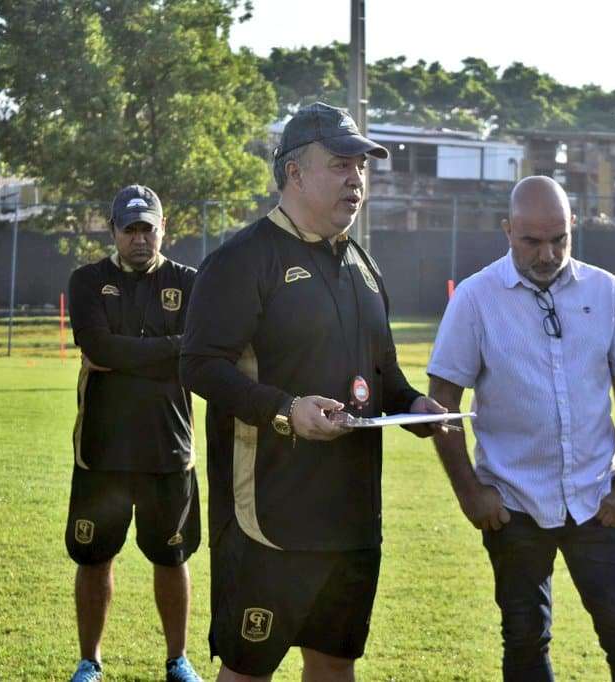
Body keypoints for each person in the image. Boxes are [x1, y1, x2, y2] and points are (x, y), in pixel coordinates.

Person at [181, 101, 444, 681]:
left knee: (334, 664)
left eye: (362, 165)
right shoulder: (241, 260)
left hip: (351, 518)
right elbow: (198, 365)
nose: (356, 177)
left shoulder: (363, 265)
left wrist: (414, 407)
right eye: (341, 163)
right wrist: (285, 411)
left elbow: (385, 378)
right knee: (247, 670)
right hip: (269, 521)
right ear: (294, 172)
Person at [427, 176, 615, 681]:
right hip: (513, 505)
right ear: (507, 230)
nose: (547, 253)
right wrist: (471, 493)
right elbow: (442, 403)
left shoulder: (606, 291)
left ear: (572, 227)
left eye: (559, 239)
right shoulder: (475, 298)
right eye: (531, 241)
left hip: (598, 501)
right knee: (526, 641)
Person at [65, 185, 202, 682]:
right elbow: (98, 348)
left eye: (148, 228)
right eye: (130, 229)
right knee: (94, 557)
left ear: (163, 229)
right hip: (101, 451)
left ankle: (177, 660)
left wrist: (128, 354)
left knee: (172, 556)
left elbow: (197, 352)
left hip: (169, 448)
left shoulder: (189, 282)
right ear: (113, 231)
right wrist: (169, 349)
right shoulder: (87, 281)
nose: (140, 238)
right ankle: (89, 660)